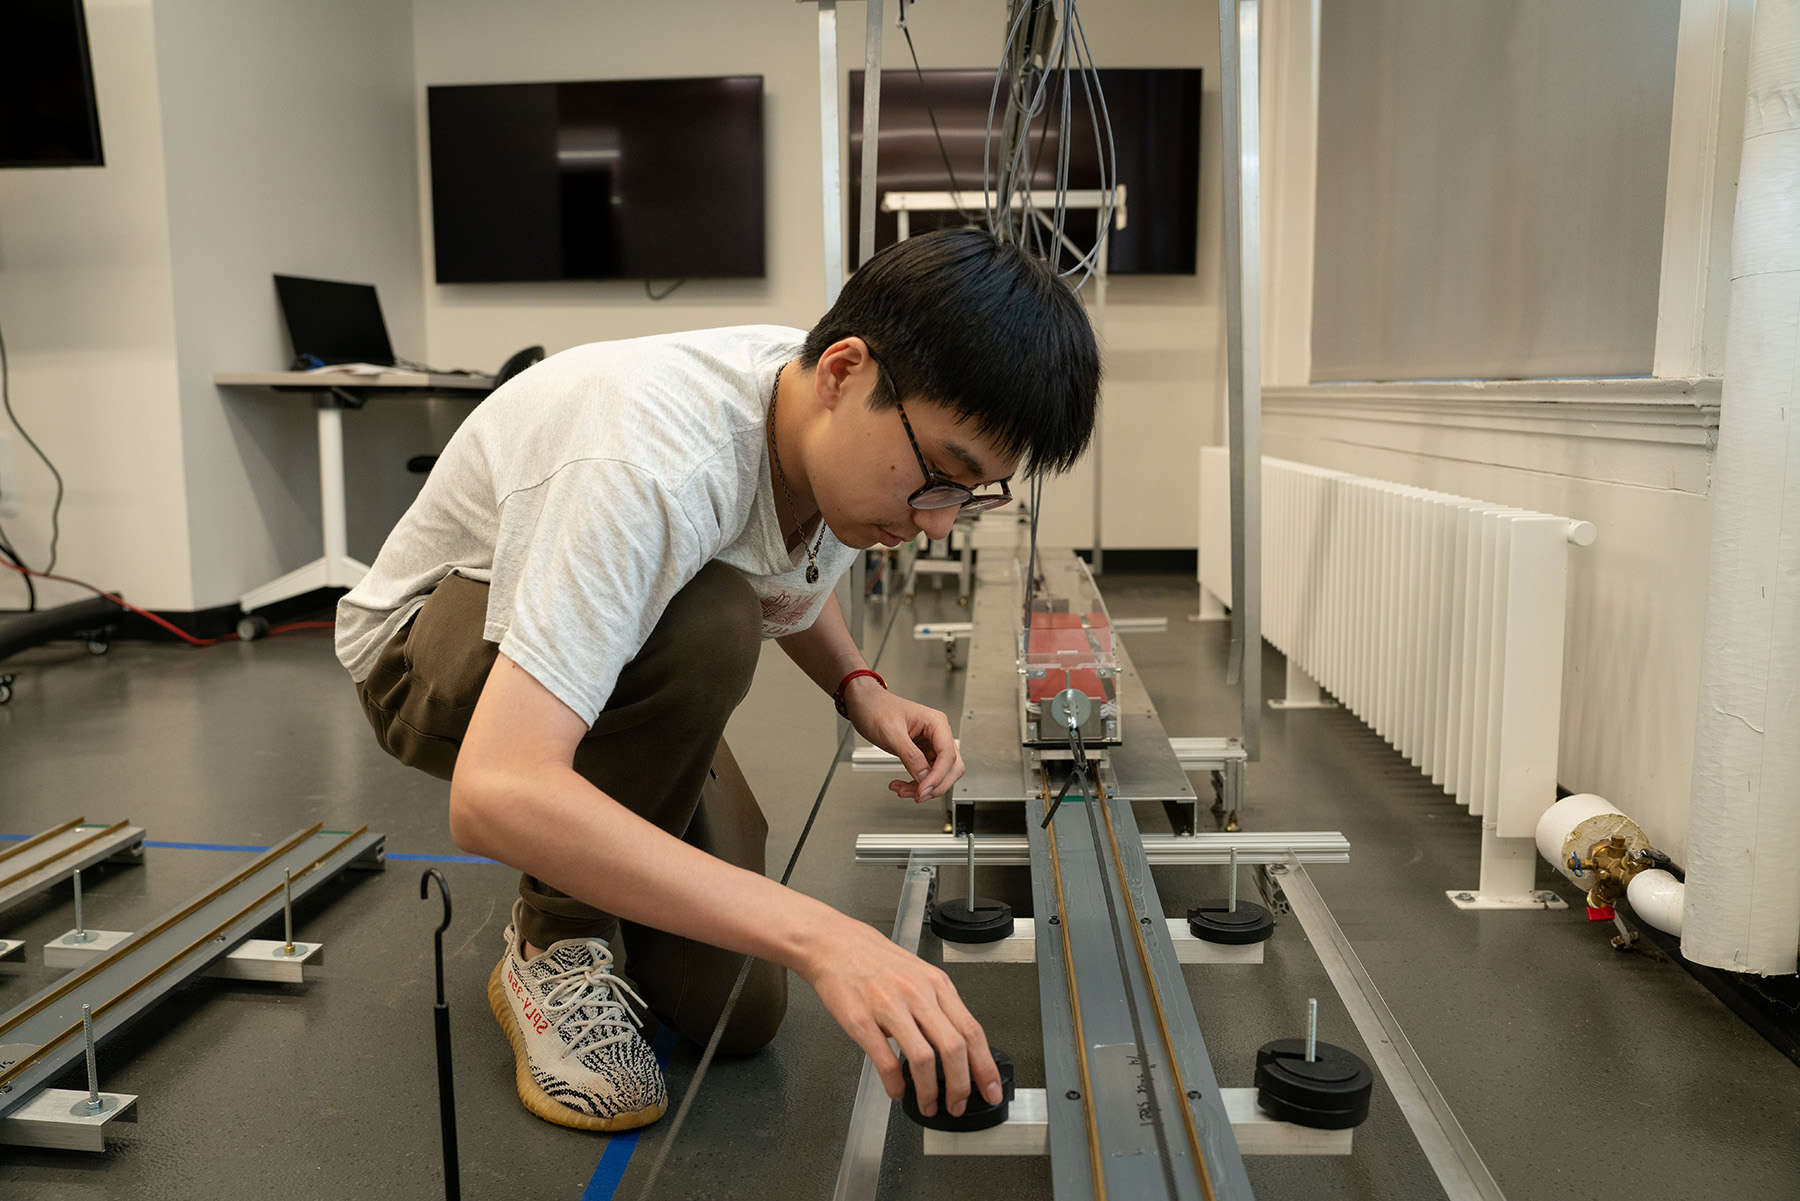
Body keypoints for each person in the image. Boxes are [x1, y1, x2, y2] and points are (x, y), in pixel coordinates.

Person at [335, 226, 1099, 1134]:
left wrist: (859, 684)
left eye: (973, 496)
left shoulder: (824, 428)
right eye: (943, 475)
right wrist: (827, 936)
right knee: (712, 620)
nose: (937, 523)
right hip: (427, 649)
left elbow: (787, 561)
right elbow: (496, 791)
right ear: (844, 373)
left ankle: (590, 884)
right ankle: (550, 945)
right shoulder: (646, 462)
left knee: (737, 1016)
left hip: (607, 653)